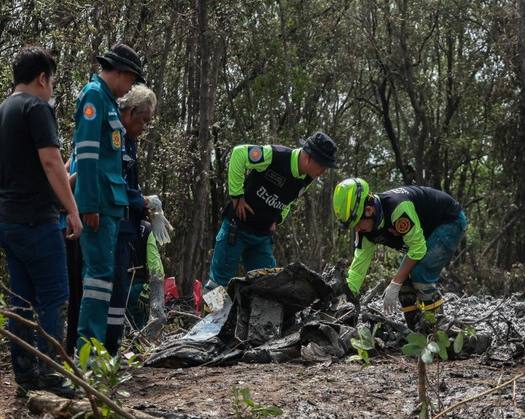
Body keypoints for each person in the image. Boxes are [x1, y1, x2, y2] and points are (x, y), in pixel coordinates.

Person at [0, 46, 82, 397]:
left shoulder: (4, 109)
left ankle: (25, 375)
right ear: (42, 78)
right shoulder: (36, 108)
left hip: (9, 220)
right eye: (52, 82)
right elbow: (50, 162)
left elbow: (31, 168)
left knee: (21, 299)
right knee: (54, 296)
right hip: (37, 220)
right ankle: (51, 375)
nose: (52, 90)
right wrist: (73, 210)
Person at [74, 43, 145, 350]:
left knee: (104, 280)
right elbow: (86, 156)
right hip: (99, 204)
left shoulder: (109, 102)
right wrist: (87, 204)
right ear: (118, 72)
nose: (130, 87)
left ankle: (99, 353)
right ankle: (87, 353)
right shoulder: (93, 96)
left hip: (113, 205)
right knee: (97, 280)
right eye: (131, 79)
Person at [205, 132, 338, 292]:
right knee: (217, 285)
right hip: (236, 229)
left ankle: (251, 318)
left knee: (268, 288)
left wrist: (278, 218)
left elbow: (289, 200)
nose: (323, 171)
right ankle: (210, 318)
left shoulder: (307, 179)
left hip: (261, 237)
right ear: (309, 157)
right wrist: (236, 195)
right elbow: (239, 153)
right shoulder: (275, 155)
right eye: (322, 165)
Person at [332, 178, 468, 330]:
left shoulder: (397, 208)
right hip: (423, 232)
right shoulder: (364, 231)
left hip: (449, 220)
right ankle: (416, 330)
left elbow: (417, 248)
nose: (356, 229)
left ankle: (439, 329)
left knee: (419, 273)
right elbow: (357, 271)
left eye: (357, 223)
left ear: (369, 210)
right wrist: (345, 299)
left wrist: (394, 282)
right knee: (404, 279)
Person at [104, 84, 170, 354]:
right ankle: (105, 351)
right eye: (144, 120)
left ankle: (113, 349)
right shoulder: (112, 136)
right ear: (130, 113)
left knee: (120, 289)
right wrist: (140, 201)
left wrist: (145, 207)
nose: (145, 127)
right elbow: (113, 184)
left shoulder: (130, 141)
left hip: (128, 226)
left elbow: (130, 184)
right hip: (112, 224)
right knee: (108, 289)